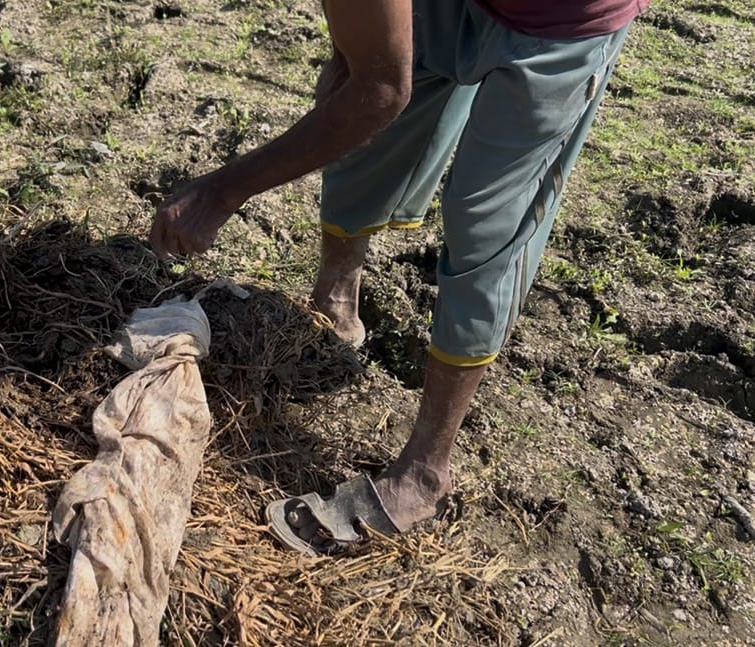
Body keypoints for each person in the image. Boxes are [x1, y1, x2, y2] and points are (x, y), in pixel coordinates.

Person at [148, 0, 650, 555]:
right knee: (367, 128)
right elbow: (370, 72)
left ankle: (426, 472)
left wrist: (220, 193)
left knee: (487, 221)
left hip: (562, 20)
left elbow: (380, 94)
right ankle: (335, 302)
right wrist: (350, 54)